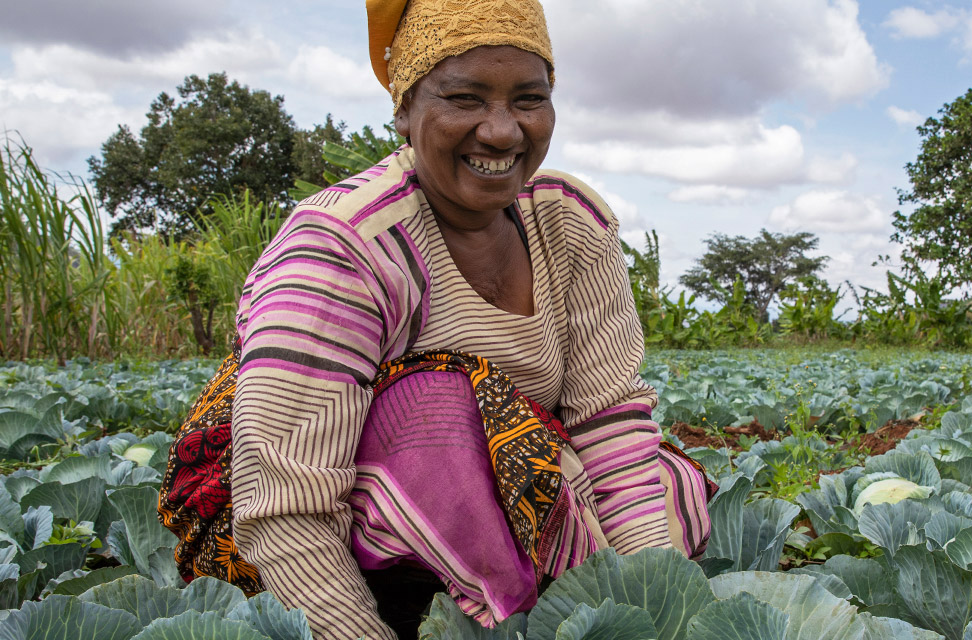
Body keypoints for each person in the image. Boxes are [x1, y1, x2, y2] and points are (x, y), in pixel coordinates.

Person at [222, 1, 714, 639]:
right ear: (404, 109)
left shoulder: (569, 221)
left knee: (666, 482)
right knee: (436, 415)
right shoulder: (344, 245)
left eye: (529, 99)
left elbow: (608, 420)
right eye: (466, 98)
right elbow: (285, 509)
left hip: (524, 501)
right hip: (359, 537)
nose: (504, 131)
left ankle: (551, 597)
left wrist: (650, 606)